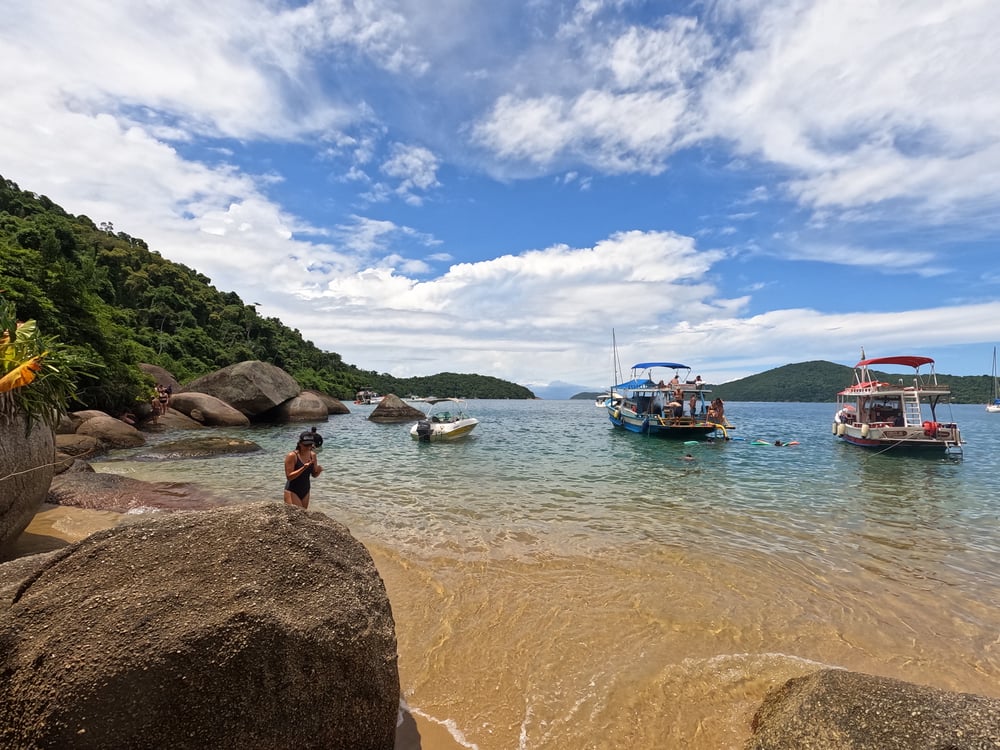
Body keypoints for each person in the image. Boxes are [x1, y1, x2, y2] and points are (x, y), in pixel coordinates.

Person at [284, 432, 323, 509]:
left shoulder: (312, 455)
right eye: (306, 445)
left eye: (310, 445)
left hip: (306, 490)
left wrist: (318, 471)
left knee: (304, 516)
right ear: (300, 444)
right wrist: (303, 468)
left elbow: (314, 475)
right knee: (296, 515)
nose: (308, 447)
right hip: (292, 490)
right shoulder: (292, 456)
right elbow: (289, 477)